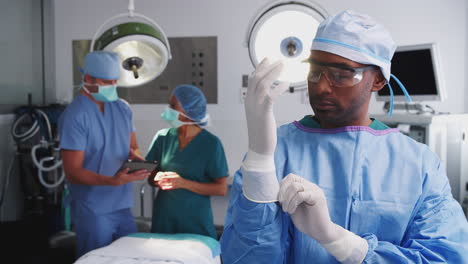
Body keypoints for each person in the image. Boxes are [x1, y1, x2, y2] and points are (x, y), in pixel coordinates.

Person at [220, 10, 468, 263]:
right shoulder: (276, 150)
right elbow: (244, 258)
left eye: (341, 75)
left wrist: (338, 241)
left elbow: (443, 258)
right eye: (314, 71)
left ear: (379, 80)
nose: (321, 86)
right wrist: (260, 161)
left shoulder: (420, 164)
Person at [58, 51, 151, 258]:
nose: (112, 87)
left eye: (115, 82)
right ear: (88, 79)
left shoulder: (121, 109)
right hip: (93, 208)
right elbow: (72, 171)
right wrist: (111, 181)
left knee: (129, 258)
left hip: (122, 204)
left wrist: (137, 159)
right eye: (106, 82)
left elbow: (133, 147)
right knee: (97, 259)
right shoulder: (75, 115)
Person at [146, 84, 229, 240]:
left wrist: (182, 183)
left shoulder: (210, 144)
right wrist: (158, 178)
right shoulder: (162, 137)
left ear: (188, 113)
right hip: (164, 220)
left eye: (173, 106)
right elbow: (150, 177)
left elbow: (221, 188)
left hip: (195, 222)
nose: (168, 109)